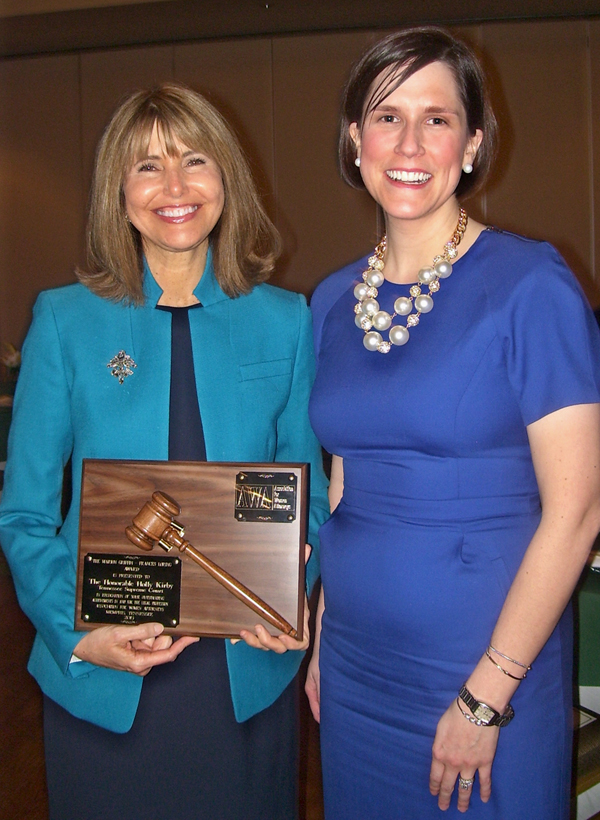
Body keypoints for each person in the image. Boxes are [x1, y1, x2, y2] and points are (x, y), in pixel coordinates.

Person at [0, 82, 329, 820]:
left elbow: (310, 502)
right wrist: (79, 635)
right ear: (118, 194)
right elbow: (22, 513)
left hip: (246, 672)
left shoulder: (285, 322)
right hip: (105, 680)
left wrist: (293, 593)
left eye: (194, 161)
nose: (174, 186)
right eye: (147, 166)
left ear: (226, 182)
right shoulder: (64, 322)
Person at [306, 27, 600, 819]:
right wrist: (323, 635)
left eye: (436, 119)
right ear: (352, 140)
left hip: (484, 668)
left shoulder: (531, 283)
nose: (409, 142)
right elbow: (346, 481)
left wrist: (484, 699)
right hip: (357, 665)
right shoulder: (332, 301)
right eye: (385, 115)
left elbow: (578, 511)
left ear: (472, 143)